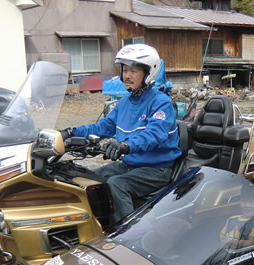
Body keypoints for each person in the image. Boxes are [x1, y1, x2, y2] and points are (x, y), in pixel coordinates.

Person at [64, 44, 181, 225]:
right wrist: (70, 133)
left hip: (156, 169)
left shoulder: (160, 102)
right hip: (129, 165)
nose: (127, 76)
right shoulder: (124, 103)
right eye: (125, 70)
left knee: (117, 185)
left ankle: (129, 234)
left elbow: (154, 134)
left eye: (133, 71)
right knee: (86, 178)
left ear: (148, 73)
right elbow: (102, 127)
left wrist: (125, 146)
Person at [221, 180, 254, 247]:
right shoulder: (232, 218)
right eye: (244, 201)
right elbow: (222, 237)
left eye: (253, 202)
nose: (247, 205)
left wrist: (233, 242)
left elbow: (251, 243)